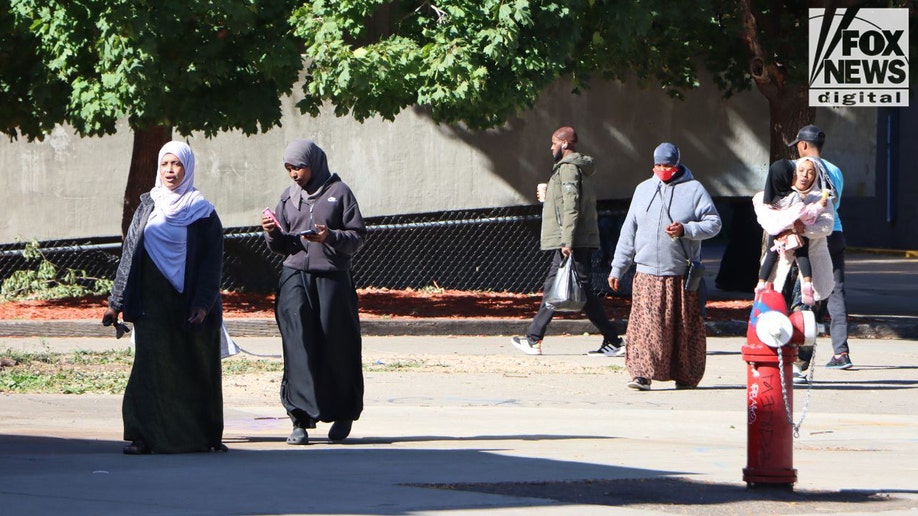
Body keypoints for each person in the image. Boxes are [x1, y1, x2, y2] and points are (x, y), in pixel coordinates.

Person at [102, 141, 226, 455]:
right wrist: (115, 302)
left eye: (177, 165)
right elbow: (129, 254)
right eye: (165, 164)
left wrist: (202, 304)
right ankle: (143, 436)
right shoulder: (148, 206)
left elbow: (212, 264)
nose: (170, 171)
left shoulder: (203, 212)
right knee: (150, 367)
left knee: (193, 367)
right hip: (151, 301)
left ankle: (200, 436)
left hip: (189, 302)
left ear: (188, 168)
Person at [262, 139, 366, 445]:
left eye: (299, 167)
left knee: (337, 343)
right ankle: (300, 418)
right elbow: (283, 246)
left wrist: (329, 236)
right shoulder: (288, 197)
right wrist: (271, 232)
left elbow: (357, 237)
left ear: (315, 164)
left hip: (332, 278)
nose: (294, 174)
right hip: (295, 276)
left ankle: (342, 412)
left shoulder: (340, 192)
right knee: (298, 344)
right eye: (289, 168)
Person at [608, 142, 721, 390]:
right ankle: (641, 374)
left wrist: (687, 229)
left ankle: (686, 375)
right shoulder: (643, 190)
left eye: (667, 165)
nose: (662, 170)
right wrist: (618, 267)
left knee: (682, 327)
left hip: (679, 273)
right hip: (646, 272)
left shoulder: (694, 190)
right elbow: (629, 231)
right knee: (646, 327)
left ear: (677, 164)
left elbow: (714, 223)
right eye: (658, 165)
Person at [510, 126, 623, 357]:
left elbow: (571, 207)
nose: (550, 147)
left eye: (553, 142)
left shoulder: (569, 169)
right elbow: (566, 203)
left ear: (564, 144)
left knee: (573, 289)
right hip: (575, 238)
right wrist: (548, 196)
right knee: (574, 289)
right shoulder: (575, 168)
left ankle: (534, 339)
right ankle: (611, 340)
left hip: (573, 239)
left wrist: (567, 241)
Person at [789, 125, 852, 370]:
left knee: (805, 292)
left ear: (803, 145)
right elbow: (835, 205)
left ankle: (801, 354)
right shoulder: (835, 170)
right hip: (835, 231)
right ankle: (841, 352)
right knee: (836, 292)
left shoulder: (801, 169)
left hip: (810, 235)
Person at [753, 159, 831, 306]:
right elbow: (805, 213)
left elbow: (826, 226)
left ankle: (761, 283)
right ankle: (807, 283)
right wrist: (818, 207)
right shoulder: (793, 197)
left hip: (779, 239)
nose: (803, 176)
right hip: (784, 260)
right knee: (802, 252)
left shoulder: (768, 196)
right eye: (799, 171)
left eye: (811, 172)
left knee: (771, 254)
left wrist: (791, 229)